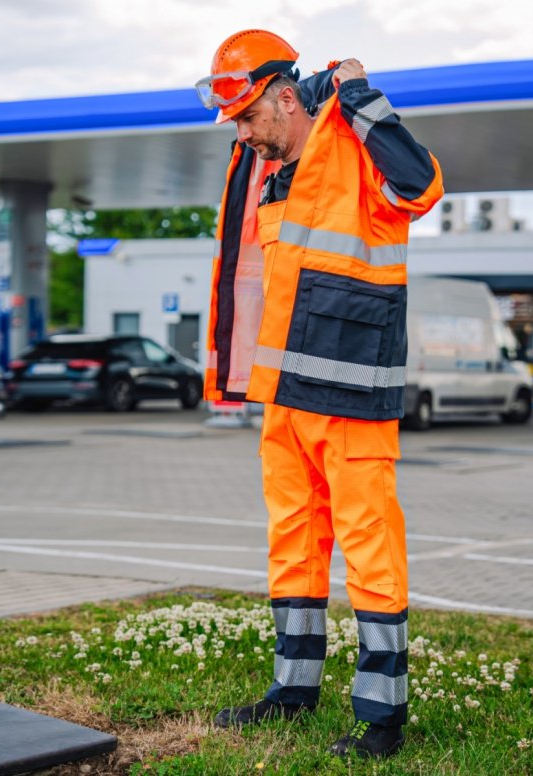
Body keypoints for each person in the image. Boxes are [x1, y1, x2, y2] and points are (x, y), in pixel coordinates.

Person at [195, 29, 443, 758]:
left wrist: (362, 98)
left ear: (282, 96)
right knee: (295, 541)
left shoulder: (352, 142)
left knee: (369, 544)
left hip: (353, 392)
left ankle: (381, 716)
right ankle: (294, 690)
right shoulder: (267, 170)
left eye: (246, 118)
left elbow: (422, 187)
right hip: (287, 396)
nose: (241, 134)